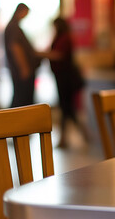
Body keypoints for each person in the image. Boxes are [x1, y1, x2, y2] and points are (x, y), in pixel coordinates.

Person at [39, 17, 87, 148]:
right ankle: (79, 135)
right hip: (62, 77)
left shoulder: (65, 38)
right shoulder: (62, 37)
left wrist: (43, 54)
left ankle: (69, 137)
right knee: (67, 108)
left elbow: (59, 55)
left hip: (66, 78)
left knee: (66, 108)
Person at [4, 3, 41, 107]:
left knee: (21, 99)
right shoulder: (14, 27)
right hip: (21, 71)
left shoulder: (13, 26)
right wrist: (24, 68)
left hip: (19, 71)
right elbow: (15, 47)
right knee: (22, 101)